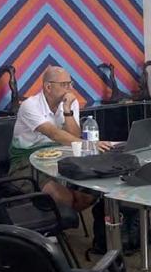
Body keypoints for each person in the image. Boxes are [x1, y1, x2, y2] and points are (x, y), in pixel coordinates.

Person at [9, 66, 110, 211]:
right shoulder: (29, 105)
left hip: (58, 156)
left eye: (70, 84)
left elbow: (74, 136)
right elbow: (53, 133)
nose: (70, 89)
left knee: (87, 196)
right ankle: (58, 219)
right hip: (27, 160)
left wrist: (67, 110)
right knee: (64, 198)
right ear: (48, 87)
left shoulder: (70, 102)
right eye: (64, 84)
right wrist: (89, 145)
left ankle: (63, 217)